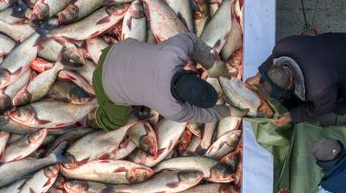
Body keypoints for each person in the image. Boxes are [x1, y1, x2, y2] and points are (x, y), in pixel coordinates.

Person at [88, 33, 245, 131]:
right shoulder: (171, 109)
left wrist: (211, 64)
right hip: (103, 83)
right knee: (116, 121)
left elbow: (191, 40)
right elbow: (201, 114)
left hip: (113, 51)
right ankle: (92, 118)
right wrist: (229, 112)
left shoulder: (174, 53)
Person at [246, 33, 346, 145]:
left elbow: (323, 108)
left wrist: (292, 116)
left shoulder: (319, 89)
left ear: (289, 85)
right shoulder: (283, 46)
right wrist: (260, 75)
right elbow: (273, 59)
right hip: (340, 43)